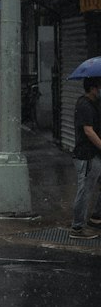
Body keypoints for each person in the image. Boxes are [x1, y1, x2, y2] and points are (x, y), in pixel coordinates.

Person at [70, 77, 101, 239]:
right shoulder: (84, 105)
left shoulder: (94, 104)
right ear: (93, 88)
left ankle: (96, 217)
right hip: (87, 155)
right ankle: (77, 228)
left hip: (94, 155)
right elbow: (88, 131)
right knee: (85, 190)